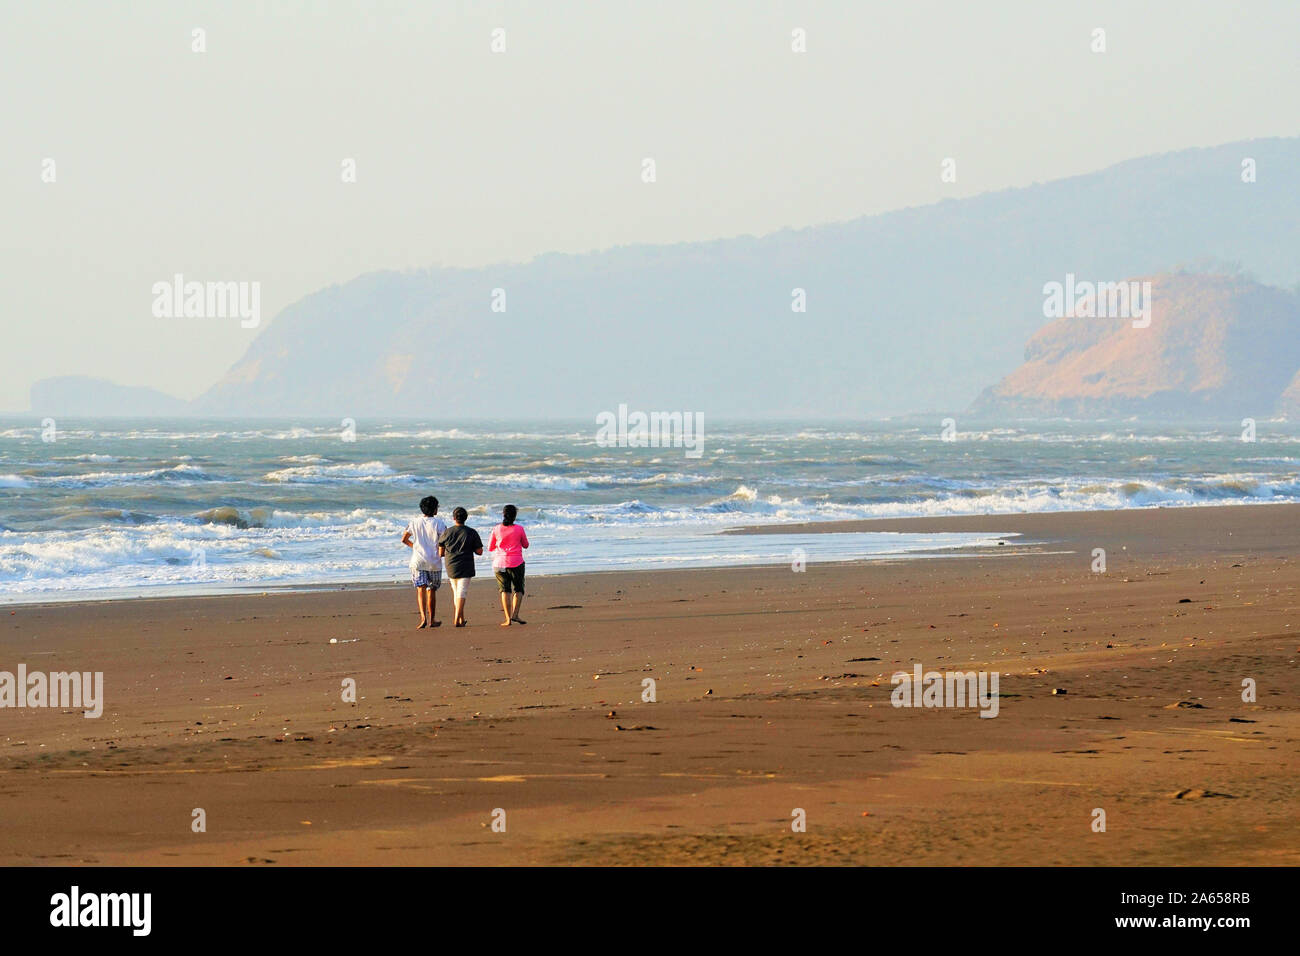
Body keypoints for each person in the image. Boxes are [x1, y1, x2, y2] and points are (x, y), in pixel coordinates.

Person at [401, 495, 446, 629]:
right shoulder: (440, 523)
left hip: (418, 560)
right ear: (434, 509)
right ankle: (432, 619)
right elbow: (444, 541)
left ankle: (423, 618)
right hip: (434, 560)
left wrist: (414, 546)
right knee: (431, 589)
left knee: (420, 589)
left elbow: (404, 539)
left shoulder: (414, 522)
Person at [437, 507, 483, 627]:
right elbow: (479, 551)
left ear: (453, 518)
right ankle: (457, 618)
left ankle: (461, 619)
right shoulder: (471, 532)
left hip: (451, 564)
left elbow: (441, 553)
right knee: (461, 592)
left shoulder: (447, 532)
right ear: (466, 518)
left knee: (456, 592)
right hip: (466, 564)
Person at [488, 504, 529, 626]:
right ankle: (515, 614)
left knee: (505, 590)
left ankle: (507, 619)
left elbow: (490, 547)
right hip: (516, 562)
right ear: (515, 516)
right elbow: (526, 545)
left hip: (500, 563)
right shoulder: (519, 529)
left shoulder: (496, 529)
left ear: (503, 515)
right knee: (519, 589)